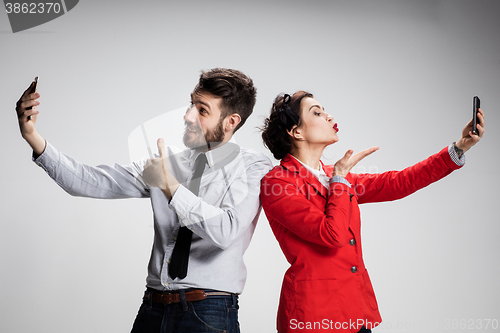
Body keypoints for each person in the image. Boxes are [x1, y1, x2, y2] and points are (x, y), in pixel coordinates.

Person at [15, 68, 272, 333]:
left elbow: (226, 231)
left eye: (202, 111)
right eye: (190, 105)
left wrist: (170, 186)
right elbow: (88, 181)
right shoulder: (166, 162)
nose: (187, 116)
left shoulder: (252, 167)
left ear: (231, 121)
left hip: (208, 311)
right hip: (154, 306)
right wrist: (32, 136)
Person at [260, 91, 485, 333]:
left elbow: (399, 182)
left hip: (355, 311)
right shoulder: (278, 183)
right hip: (313, 315)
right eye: (317, 112)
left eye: (324, 110)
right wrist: (339, 179)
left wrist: (459, 148)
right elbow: (332, 235)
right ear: (296, 132)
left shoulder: (335, 175)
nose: (329, 116)